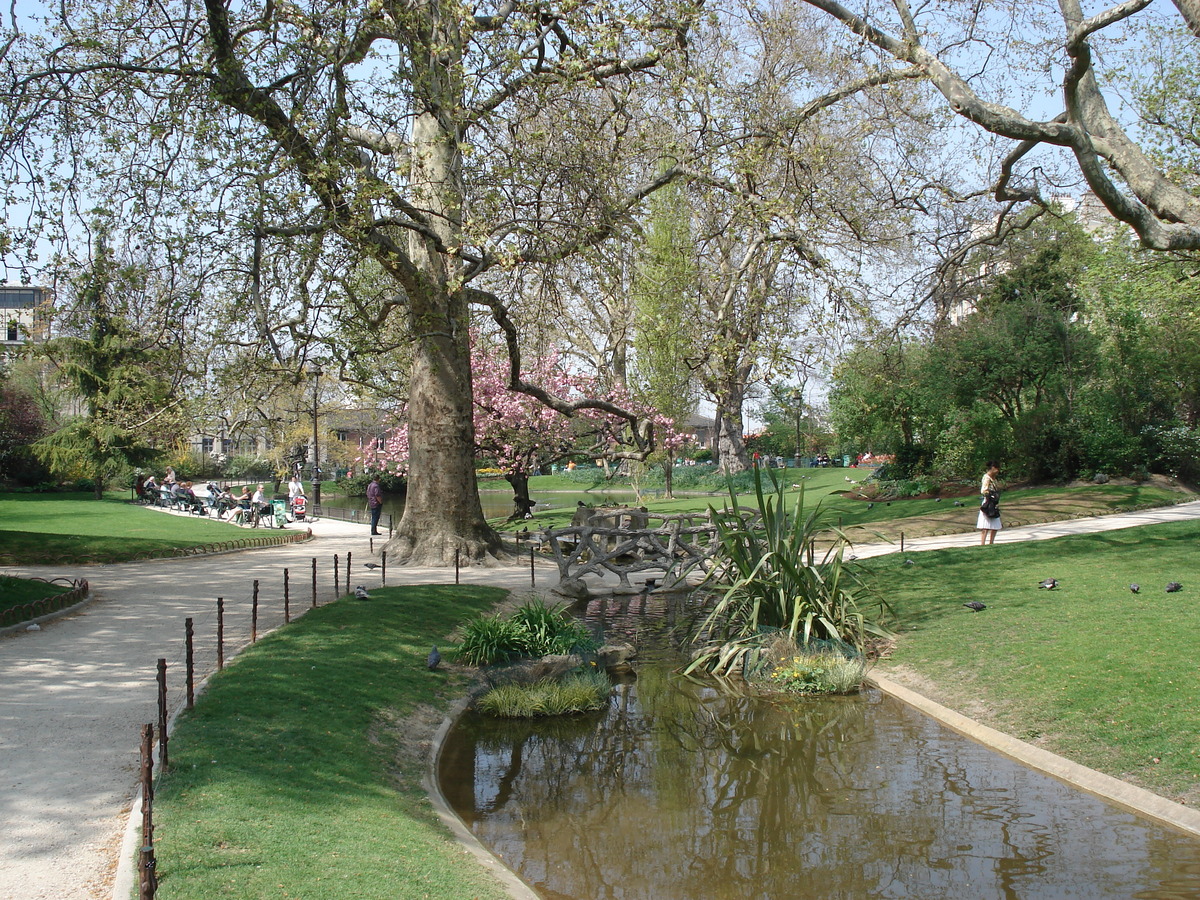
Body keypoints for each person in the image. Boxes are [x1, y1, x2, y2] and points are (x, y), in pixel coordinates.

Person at [978, 461, 1002, 545]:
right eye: (996, 468)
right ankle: (982, 543)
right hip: (988, 502)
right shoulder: (987, 478)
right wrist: (991, 494)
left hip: (994, 502)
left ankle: (991, 542)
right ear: (993, 468)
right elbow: (983, 490)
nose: (998, 470)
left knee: (995, 525)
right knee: (985, 525)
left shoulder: (994, 479)